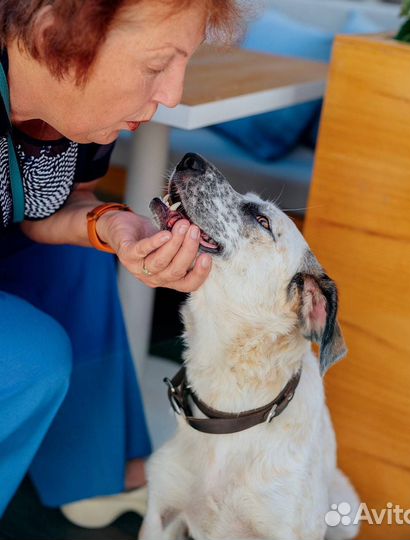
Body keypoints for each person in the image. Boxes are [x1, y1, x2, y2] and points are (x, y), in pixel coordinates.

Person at [0, 0, 244, 523]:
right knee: (31, 357)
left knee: (80, 259)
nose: (173, 95)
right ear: (50, 38)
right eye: (157, 66)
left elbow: (54, 204)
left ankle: (98, 470)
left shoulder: (78, 112)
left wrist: (110, 227)